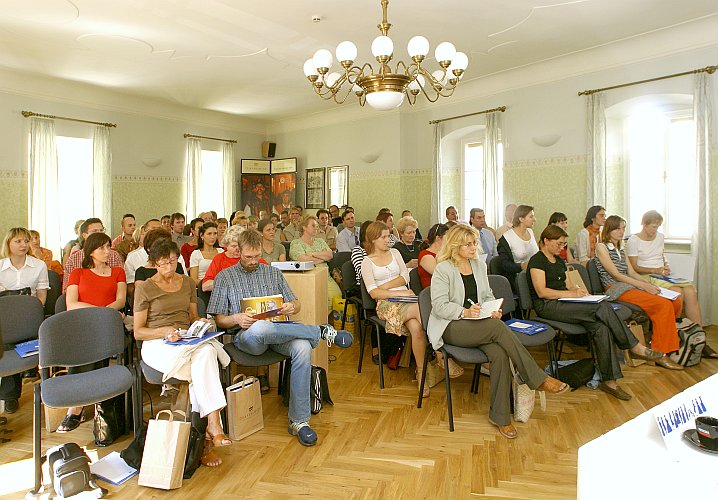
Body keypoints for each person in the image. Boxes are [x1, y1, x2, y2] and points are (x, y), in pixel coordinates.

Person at [208, 229, 352, 446]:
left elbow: (296, 304)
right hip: (247, 339)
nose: (253, 261)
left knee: (303, 347)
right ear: (239, 251)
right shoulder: (225, 277)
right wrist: (236, 318)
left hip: (278, 333)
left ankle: (299, 421)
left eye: (257, 257)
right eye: (248, 257)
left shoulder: (273, 273)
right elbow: (219, 320)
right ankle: (320, 331)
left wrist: (290, 307)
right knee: (260, 328)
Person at [428, 224, 569, 439]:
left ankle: (500, 417)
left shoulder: (478, 265)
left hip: (479, 324)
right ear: (455, 246)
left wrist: (491, 309)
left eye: (475, 242)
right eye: (469, 244)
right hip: (451, 326)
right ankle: (536, 377)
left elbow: (487, 295)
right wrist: (465, 312)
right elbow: (439, 306)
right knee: (496, 328)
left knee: (499, 353)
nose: (474, 247)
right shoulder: (443, 269)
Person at [528, 225, 666, 400]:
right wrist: (571, 294)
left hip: (564, 302)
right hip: (547, 306)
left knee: (601, 327)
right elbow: (542, 292)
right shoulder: (537, 260)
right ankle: (634, 346)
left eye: (563, 244)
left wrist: (580, 292)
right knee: (602, 306)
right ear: (546, 241)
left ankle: (610, 382)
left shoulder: (559, 260)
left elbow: (566, 285)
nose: (561, 248)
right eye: (559, 243)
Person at [134, 238, 230, 467]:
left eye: (173, 261)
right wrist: (164, 331)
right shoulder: (145, 288)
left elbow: (192, 317)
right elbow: (138, 332)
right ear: (154, 263)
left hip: (186, 339)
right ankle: (211, 430)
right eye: (164, 263)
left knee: (205, 353)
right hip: (157, 342)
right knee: (204, 366)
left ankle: (211, 428)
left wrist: (201, 323)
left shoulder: (187, 282)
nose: (170, 267)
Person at [625, 210, 717, 358]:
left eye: (658, 227)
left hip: (662, 274)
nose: (655, 230)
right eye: (653, 227)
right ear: (644, 224)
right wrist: (655, 269)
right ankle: (675, 336)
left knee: (690, 291)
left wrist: (665, 265)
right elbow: (634, 267)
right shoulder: (634, 240)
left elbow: (662, 256)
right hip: (646, 275)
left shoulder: (660, 237)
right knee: (676, 292)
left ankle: (700, 340)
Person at [59, 232, 127, 432]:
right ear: (90, 252)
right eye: (102, 248)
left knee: (96, 341)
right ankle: (83, 402)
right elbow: (71, 304)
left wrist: (103, 315)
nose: (107, 251)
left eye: (108, 247)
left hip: (108, 321)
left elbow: (121, 300)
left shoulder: (117, 272)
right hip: (83, 322)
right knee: (86, 343)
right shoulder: (77, 273)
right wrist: (99, 312)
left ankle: (78, 406)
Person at [594, 215, 683, 362]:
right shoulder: (601, 247)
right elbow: (616, 275)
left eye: (623, 228)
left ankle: (664, 342)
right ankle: (660, 352)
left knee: (676, 301)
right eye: (617, 229)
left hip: (629, 284)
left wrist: (649, 285)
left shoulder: (621, 247)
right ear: (609, 229)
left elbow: (632, 272)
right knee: (663, 305)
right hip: (615, 288)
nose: (621, 232)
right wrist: (643, 286)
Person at [360, 221, 430, 397]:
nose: (387, 240)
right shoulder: (366, 262)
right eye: (383, 237)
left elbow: (405, 275)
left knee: (417, 328)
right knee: (421, 310)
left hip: (405, 297)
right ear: (373, 239)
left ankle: (421, 372)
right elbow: (374, 293)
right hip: (386, 304)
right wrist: (392, 292)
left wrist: (385, 285)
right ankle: (440, 353)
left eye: (388, 236)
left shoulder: (395, 253)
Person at [0, 227, 50, 414]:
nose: (23, 245)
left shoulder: (38, 265)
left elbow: (42, 294)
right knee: (7, 342)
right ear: (9, 244)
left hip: (30, 315)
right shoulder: (1, 266)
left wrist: (31, 313)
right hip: (5, 318)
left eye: (25, 241)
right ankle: (9, 395)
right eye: (18, 241)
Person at [289, 216, 342, 309]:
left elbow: (330, 255)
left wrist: (312, 254)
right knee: (315, 302)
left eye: (317, 226)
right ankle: (319, 320)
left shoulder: (320, 241)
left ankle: (323, 320)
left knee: (336, 296)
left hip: (325, 276)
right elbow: (303, 259)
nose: (316, 228)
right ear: (304, 227)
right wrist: (322, 257)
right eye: (313, 225)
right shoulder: (296, 243)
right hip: (308, 278)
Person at [63, 218, 124, 292]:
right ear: (84, 235)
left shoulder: (114, 255)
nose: (99, 234)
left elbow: (121, 286)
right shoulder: (73, 259)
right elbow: (66, 289)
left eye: (101, 230)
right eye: (94, 231)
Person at [497, 205, 539, 293]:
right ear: (521, 219)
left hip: (535, 274)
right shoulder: (506, 238)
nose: (534, 219)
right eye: (531, 217)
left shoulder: (531, 232)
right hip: (519, 278)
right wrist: (522, 266)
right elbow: (504, 264)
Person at [124, 219, 162, 300]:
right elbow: (130, 286)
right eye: (153, 230)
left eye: (160, 230)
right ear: (144, 232)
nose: (157, 233)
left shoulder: (175, 257)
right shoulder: (133, 257)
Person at [202, 225, 245, 292]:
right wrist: (229, 283)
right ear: (226, 245)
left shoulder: (251, 258)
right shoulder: (219, 259)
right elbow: (205, 286)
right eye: (233, 246)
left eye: (241, 246)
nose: (238, 249)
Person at [418, 223, 449, 289]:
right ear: (438, 238)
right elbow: (440, 274)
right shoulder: (425, 255)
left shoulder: (444, 253)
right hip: (433, 291)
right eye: (447, 238)